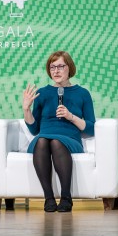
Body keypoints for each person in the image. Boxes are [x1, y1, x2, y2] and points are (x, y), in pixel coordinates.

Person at [22, 51, 95, 212]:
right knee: (42, 140)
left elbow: (91, 128)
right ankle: (48, 198)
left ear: (69, 68)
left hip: (69, 139)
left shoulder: (82, 93)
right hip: (43, 138)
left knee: (56, 142)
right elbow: (34, 129)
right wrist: (26, 109)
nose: (56, 71)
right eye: (52, 67)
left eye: (60, 66)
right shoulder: (42, 93)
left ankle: (66, 197)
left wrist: (71, 117)